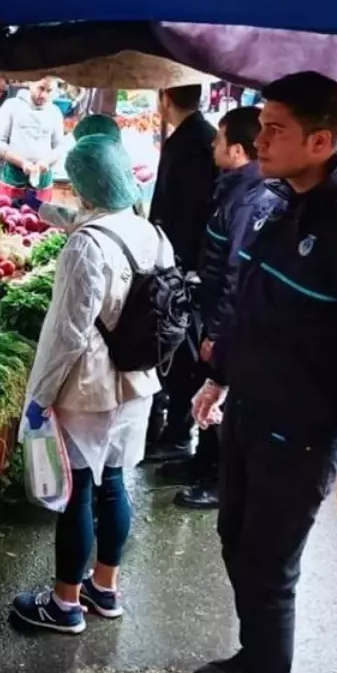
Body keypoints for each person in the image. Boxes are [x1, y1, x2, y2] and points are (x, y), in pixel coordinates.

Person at [170, 72, 337, 673]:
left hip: (305, 434)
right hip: (250, 413)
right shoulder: (273, 202)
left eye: (276, 129)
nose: (261, 139)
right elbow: (250, 303)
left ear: (320, 140)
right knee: (235, 541)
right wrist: (220, 376)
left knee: (269, 571)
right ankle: (254, 657)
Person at [10, 134, 172, 634]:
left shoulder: (85, 245)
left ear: (83, 185)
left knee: (77, 491)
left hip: (91, 387)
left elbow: (68, 332)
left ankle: (64, 604)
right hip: (138, 381)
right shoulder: (152, 233)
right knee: (116, 483)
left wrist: (38, 397)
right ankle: (105, 588)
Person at [167, 105, 270, 511]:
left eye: (220, 138)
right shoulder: (234, 187)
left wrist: (217, 333)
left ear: (240, 150)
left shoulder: (250, 200)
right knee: (205, 393)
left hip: (226, 322)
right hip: (212, 312)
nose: (213, 143)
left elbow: (235, 275)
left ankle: (218, 481)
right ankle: (201, 462)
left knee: (219, 396)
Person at [147, 84, 218, 464]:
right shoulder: (202, 137)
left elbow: (180, 211)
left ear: (165, 98)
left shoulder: (189, 142)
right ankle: (175, 429)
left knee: (182, 352)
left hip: (183, 267)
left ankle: (176, 432)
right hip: (191, 264)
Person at [0, 77, 65, 208]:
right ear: (31, 83)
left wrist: (46, 162)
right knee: (5, 220)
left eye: (49, 91)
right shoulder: (11, 106)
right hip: (13, 177)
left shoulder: (54, 112)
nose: (44, 95)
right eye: (41, 88)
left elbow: (59, 147)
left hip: (42, 179)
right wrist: (23, 162)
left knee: (38, 222)